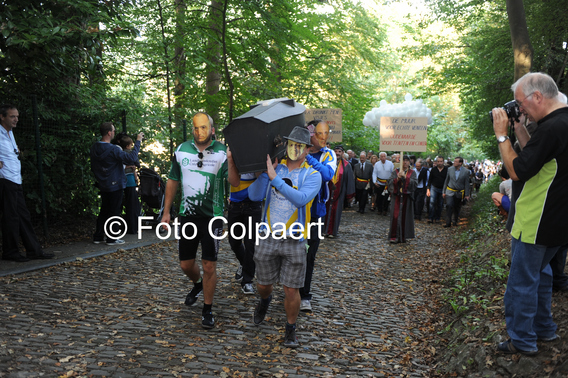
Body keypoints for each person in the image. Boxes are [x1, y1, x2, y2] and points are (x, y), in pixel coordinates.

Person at [492, 72, 568, 355]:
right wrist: (517, 128)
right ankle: (545, 329)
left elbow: (517, 170)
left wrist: (501, 135)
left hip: (537, 220)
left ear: (538, 97)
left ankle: (522, 340)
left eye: (521, 103)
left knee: (522, 282)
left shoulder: (551, 129)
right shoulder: (560, 124)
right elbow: (534, 157)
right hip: (558, 223)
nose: (520, 108)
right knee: (542, 275)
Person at [161, 112, 238, 329]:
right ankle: (197, 284)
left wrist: (232, 161)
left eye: (204, 127)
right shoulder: (182, 150)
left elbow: (234, 181)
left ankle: (208, 309)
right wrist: (166, 212)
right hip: (187, 215)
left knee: (209, 265)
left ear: (212, 129)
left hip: (212, 217)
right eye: (195, 128)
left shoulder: (222, 151)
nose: (199, 131)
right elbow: (173, 180)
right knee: (186, 264)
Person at [248, 126, 321, 348]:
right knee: (263, 284)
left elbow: (301, 199)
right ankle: (264, 300)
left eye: (299, 145)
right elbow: (253, 195)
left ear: (307, 150)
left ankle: (290, 329)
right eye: (291, 144)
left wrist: (275, 180)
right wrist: (265, 174)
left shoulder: (313, 175)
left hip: (295, 240)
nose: (294, 149)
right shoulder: (275, 169)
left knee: (291, 289)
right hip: (268, 236)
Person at [0, 104, 54, 262]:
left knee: (23, 216)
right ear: (2, 117)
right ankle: (10, 252)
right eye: (12, 116)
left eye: (17, 116)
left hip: (15, 180)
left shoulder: (10, 134)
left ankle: (33, 250)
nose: (16, 119)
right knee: (11, 217)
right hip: (5, 180)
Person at [300, 120, 337, 313]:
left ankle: (304, 295)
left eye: (326, 133)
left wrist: (308, 158)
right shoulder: (296, 150)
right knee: (292, 251)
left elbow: (327, 175)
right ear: (310, 134)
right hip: (295, 211)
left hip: (316, 213)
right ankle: (291, 289)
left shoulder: (328, 154)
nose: (324, 137)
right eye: (319, 134)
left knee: (309, 254)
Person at [91, 122, 143, 245]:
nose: (114, 132)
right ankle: (112, 237)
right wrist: (138, 142)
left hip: (103, 183)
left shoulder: (95, 148)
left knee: (104, 209)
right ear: (109, 133)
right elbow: (131, 159)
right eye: (113, 131)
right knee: (114, 211)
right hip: (116, 183)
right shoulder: (113, 149)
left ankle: (98, 236)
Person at [227, 172, 262, 295]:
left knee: (250, 243)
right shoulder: (232, 153)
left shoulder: (258, 154)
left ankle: (247, 280)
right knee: (234, 241)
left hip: (253, 204)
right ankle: (244, 263)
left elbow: (261, 177)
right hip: (235, 204)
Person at [324, 145, 355, 238]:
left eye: (339, 152)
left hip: (339, 192)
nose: (337, 153)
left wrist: (350, 195)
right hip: (327, 191)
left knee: (336, 211)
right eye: (336, 151)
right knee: (324, 211)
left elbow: (350, 180)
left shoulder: (346, 165)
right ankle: (323, 230)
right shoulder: (328, 163)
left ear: (343, 153)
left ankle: (332, 232)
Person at [387, 155, 417, 243]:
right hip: (396, 197)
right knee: (395, 216)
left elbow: (415, 184)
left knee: (405, 217)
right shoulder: (395, 172)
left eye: (407, 161)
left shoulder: (412, 172)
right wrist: (398, 178)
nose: (405, 162)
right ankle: (394, 236)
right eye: (403, 161)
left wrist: (406, 178)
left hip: (406, 198)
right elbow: (390, 183)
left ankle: (403, 236)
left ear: (409, 162)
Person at [116, 133, 141, 234]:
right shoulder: (130, 154)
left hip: (120, 182)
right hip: (129, 181)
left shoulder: (118, 153)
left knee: (120, 205)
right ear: (127, 146)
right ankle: (133, 227)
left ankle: (119, 226)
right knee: (132, 205)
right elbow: (136, 164)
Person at [442, 157, 471, 227]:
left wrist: (467, 194)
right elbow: (446, 181)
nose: (454, 162)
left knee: (457, 207)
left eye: (455, 161)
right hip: (450, 190)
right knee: (449, 205)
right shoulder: (450, 169)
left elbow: (467, 184)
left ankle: (455, 220)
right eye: (454, 161)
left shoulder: (466, 171)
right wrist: (444, 191)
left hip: (459, 192)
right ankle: (448, 222)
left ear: (460, 163)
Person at [372, 152, 394, 216]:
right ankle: (379, 209)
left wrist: (391, 181)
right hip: (379, 183)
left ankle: (385, 210)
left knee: (386, 198)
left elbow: (393, 173)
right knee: (379, 197)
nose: (383, 158)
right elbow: (374, 173)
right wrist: (374, 181)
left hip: (387, 184)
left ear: (386, 157)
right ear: (379, 157)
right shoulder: (377, 164)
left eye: (384, 156)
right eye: (381, 156)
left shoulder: (390, 164)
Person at [427, 156, 448, 224]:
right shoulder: (433, 169)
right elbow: (430, 180)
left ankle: (437, 218)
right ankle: (430, 217)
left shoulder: (446, 170)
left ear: (443, 162)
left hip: (442, 188)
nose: (439, 163)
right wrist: (428, 189)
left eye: (441, 161)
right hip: (434, 187)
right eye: (438, 161)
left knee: (440, 203)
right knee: (432, 202)